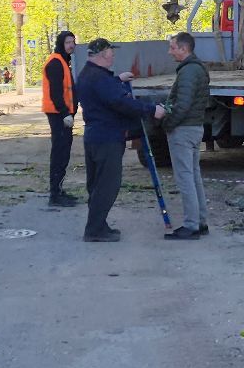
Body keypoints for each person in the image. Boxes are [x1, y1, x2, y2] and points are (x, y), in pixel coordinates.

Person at [75, 37, 167, 242]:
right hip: (107, 138)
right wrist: (152, 110)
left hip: (95, 136)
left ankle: (98, 225)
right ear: (102, 54)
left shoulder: (88, 74)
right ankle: (95, 230)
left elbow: (105, 92)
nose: (113, 55)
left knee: (97, 184)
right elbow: (120, 103)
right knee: (107, 185)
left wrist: (117, 81)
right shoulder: (99, 78)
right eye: (111, 52)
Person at [158, 32, 209, 241]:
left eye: (173, 47)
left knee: (185, 178)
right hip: (194, 128)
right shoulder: (196, 68)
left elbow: (182, 105)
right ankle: (200, 221)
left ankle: (191, 225)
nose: (170, 52)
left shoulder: (188, 71)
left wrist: (167, 123)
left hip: (184, 130)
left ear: (184, 49)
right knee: (194, 176)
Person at [42, 31, 79, 207]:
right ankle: (55, 195)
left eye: (73, 42)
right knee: (59, 154)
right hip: (58, 115)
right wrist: (65, 113)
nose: (71, 45)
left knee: (63, 153)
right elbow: (55, 93)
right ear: (60, 44)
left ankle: (58, 190)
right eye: (67, 42)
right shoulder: (55, 63)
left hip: (63, 115)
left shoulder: (63, 61)